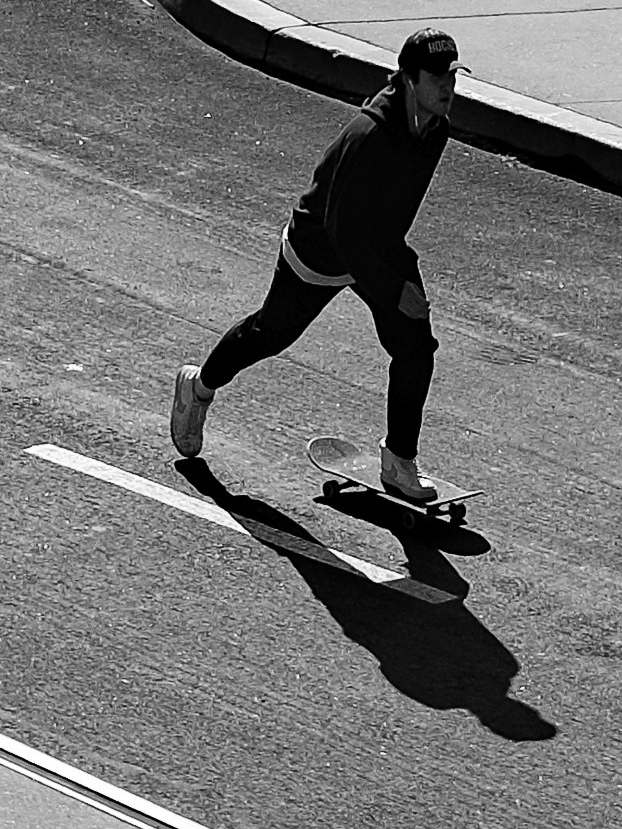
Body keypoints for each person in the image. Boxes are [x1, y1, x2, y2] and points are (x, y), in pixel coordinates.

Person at [175, 26, 462, 509]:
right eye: (436, 77)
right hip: (319, 248)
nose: (447, 87)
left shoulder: (435, 128)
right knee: (272, 334)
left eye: (452, 75)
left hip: (377, 246)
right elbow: (341, 230)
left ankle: (399, 459)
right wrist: (393, 288)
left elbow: (396, 211)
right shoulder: (369, 135)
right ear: (408, 79)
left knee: (416, 345)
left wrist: (399, 280)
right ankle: (198, 387)